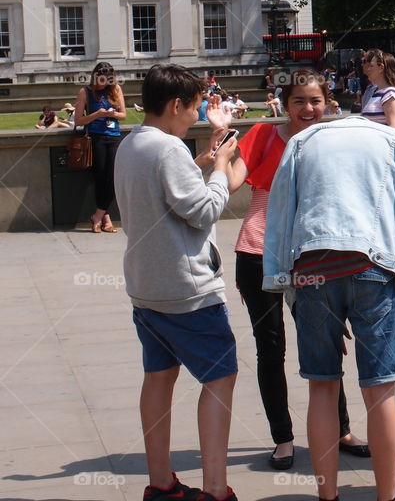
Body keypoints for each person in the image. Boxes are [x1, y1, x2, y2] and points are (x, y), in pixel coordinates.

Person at [262, 114, 395, 501]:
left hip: (312, 268)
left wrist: (277, 275)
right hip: (372, 265)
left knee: (321, 387)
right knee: (380, 391)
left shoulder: (304, 141)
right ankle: (386, 497)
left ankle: (329, 496)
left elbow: (281, 209)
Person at [224, 69, 369, 471]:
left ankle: (339, 429)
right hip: (258, 252)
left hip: (312, 257)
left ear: (328, 103)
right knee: (271, 349)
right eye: (299, 101)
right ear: (285, 104)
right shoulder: (263, 136)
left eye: (315, 100)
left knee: (326, 346)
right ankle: (283, 439)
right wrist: (217, 161)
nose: (308, 108)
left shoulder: (331, 144)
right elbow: (233, 181)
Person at [114, 63, 239, 501]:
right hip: (186, 289)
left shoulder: (131, 143)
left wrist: (206, 158)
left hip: (146, 286)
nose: (198, 113)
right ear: (175, 105)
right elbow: (203, 211)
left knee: (158, 377)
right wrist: (221, 168)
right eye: (195, 106)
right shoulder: (169, 150)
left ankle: (161, 482)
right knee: (220, 378)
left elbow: (165, 194)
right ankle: (215, 489)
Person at [74, 61, 126, 233]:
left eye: (107, 79)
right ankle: (106, 218)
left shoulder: (116, 89)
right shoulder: (85, 92)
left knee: (113, 178)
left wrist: (113, 114)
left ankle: (97, 215)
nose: (103, 83)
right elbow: (78, 120)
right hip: (95, 137)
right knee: (100, 178)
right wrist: (97, 114)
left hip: (114, 136)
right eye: (101, 79)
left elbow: (123, 115)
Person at [361, 48, 395, 130]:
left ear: (381, 67)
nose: (368, 69)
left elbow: (394, 127)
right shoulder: (378, 93)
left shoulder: (390, 94)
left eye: (371, 66)